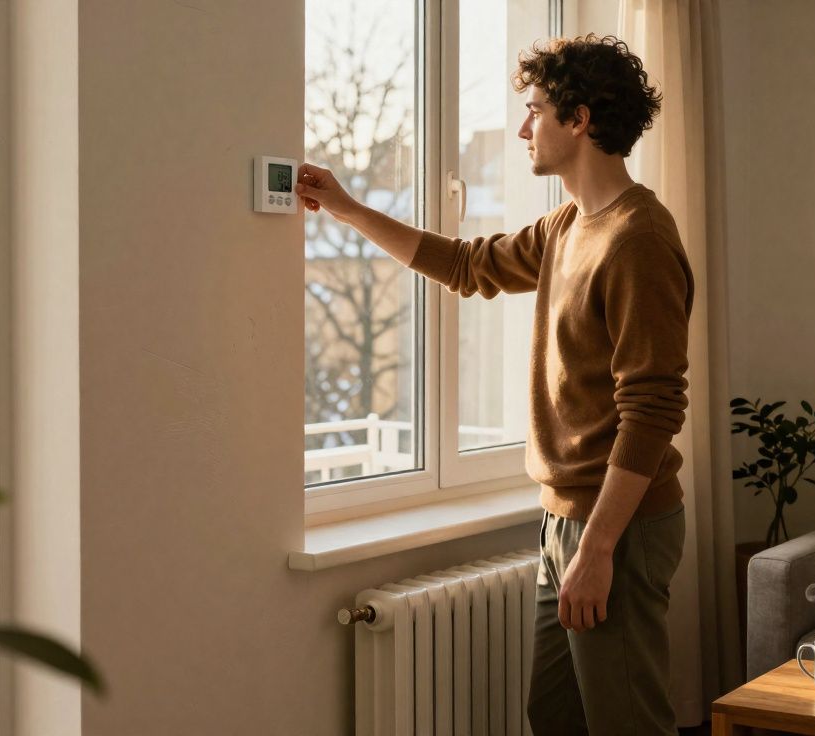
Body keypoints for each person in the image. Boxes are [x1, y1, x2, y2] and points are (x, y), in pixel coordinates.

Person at [296, 33, 692, 735]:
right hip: (563, 518)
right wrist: (350, 209)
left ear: (580, 120)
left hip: (617, 525)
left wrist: (598, 548)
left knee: (626, 722)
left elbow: (653, 409)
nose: (521, 128)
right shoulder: (568, 224)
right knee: (555, 716)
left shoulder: (639, 240)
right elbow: (467, 265)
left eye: (535, 110)